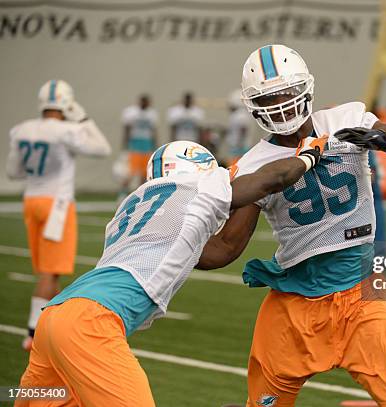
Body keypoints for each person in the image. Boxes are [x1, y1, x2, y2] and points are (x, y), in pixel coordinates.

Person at [199, 44, 386, 407]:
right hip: (295, 303)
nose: (280, 103)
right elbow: (225, 248)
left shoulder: (344, 120)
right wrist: (166, 244)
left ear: (306, 89)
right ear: (254, 106)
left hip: (362, 293)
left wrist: (385, 138)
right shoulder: (252, 166)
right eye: (269, 97)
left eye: (287, 92)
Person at [15, 138, 326, 407]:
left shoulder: (133, 204)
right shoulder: (199, 185)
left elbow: (215, 252)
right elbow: (273, 179)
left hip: (54, 318)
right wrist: (308, 155)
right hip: (91, 324)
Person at [6, 79, 111, 351]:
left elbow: (13, 173)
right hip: (57, 204)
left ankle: (48, 323)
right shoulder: (66, 130)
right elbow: (102, 148)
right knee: (51, 272)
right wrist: (84, 118)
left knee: (48, 271)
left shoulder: (22, 130)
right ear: (67, 103)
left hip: (31, 200)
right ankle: (33, 332)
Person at [120, 94, 158, 197]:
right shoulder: (131, 112)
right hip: (135, 144)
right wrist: (125, 145)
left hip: (147, 145)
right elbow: (126, 129)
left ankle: (141, 194)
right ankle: (122, 193)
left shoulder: (152, 113)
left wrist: (155, 146)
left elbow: (154, 131)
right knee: (130, 172)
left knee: (144, 173)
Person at [225, 89, 252, 165]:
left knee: (236, 168)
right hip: (237, 147)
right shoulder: (241, 114)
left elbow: (243, 130)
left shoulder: (240, 115)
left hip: (239, 148)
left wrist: (239, 145)